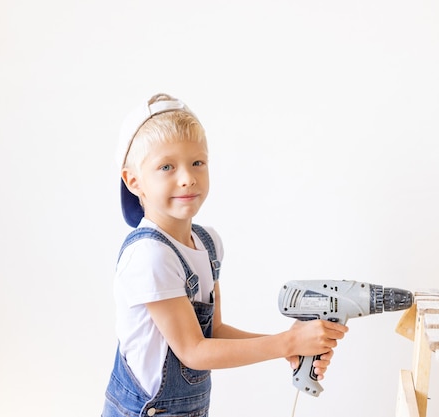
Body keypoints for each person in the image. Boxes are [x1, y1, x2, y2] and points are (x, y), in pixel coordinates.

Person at [102, 93, 348, 417]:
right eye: (166, 166)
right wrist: (288, 344)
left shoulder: (206, 243)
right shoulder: (150, 256)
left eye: (197, 163)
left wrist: (289, 341)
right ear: (134, 181)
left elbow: (212, 333)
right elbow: (193, 351)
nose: (187, 177)